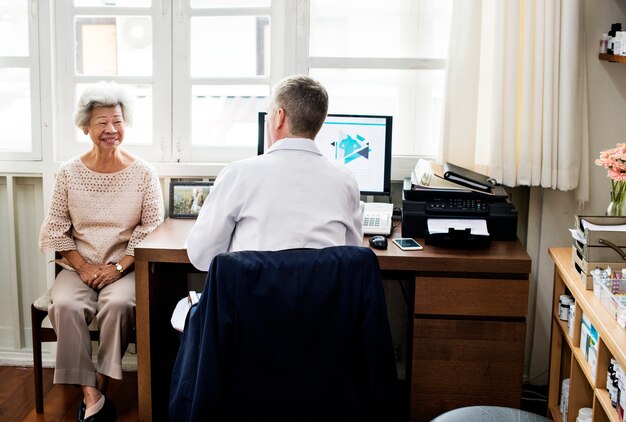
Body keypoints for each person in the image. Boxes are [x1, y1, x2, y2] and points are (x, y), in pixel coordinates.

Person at [39, 81, 164, 422]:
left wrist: (119, 266)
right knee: (64, 304)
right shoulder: (68, 172)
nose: (111, 129)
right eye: (102, 123)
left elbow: (152, 226)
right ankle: (91, 393)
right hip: (79, 266)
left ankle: (102, 380)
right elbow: (55, 227)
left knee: (120, 304)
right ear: (85, 127)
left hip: (124, 266)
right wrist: (82, 267)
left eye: (117, 121)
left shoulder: (143, 173)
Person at [186, 74, 363, 271]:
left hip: (252, 301)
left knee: (183, 303)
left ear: (279, 116)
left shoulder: (239, 174)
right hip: (323, 301)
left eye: (269, 113)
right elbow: (352, 255)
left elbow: (201, 256)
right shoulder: (345, 181)